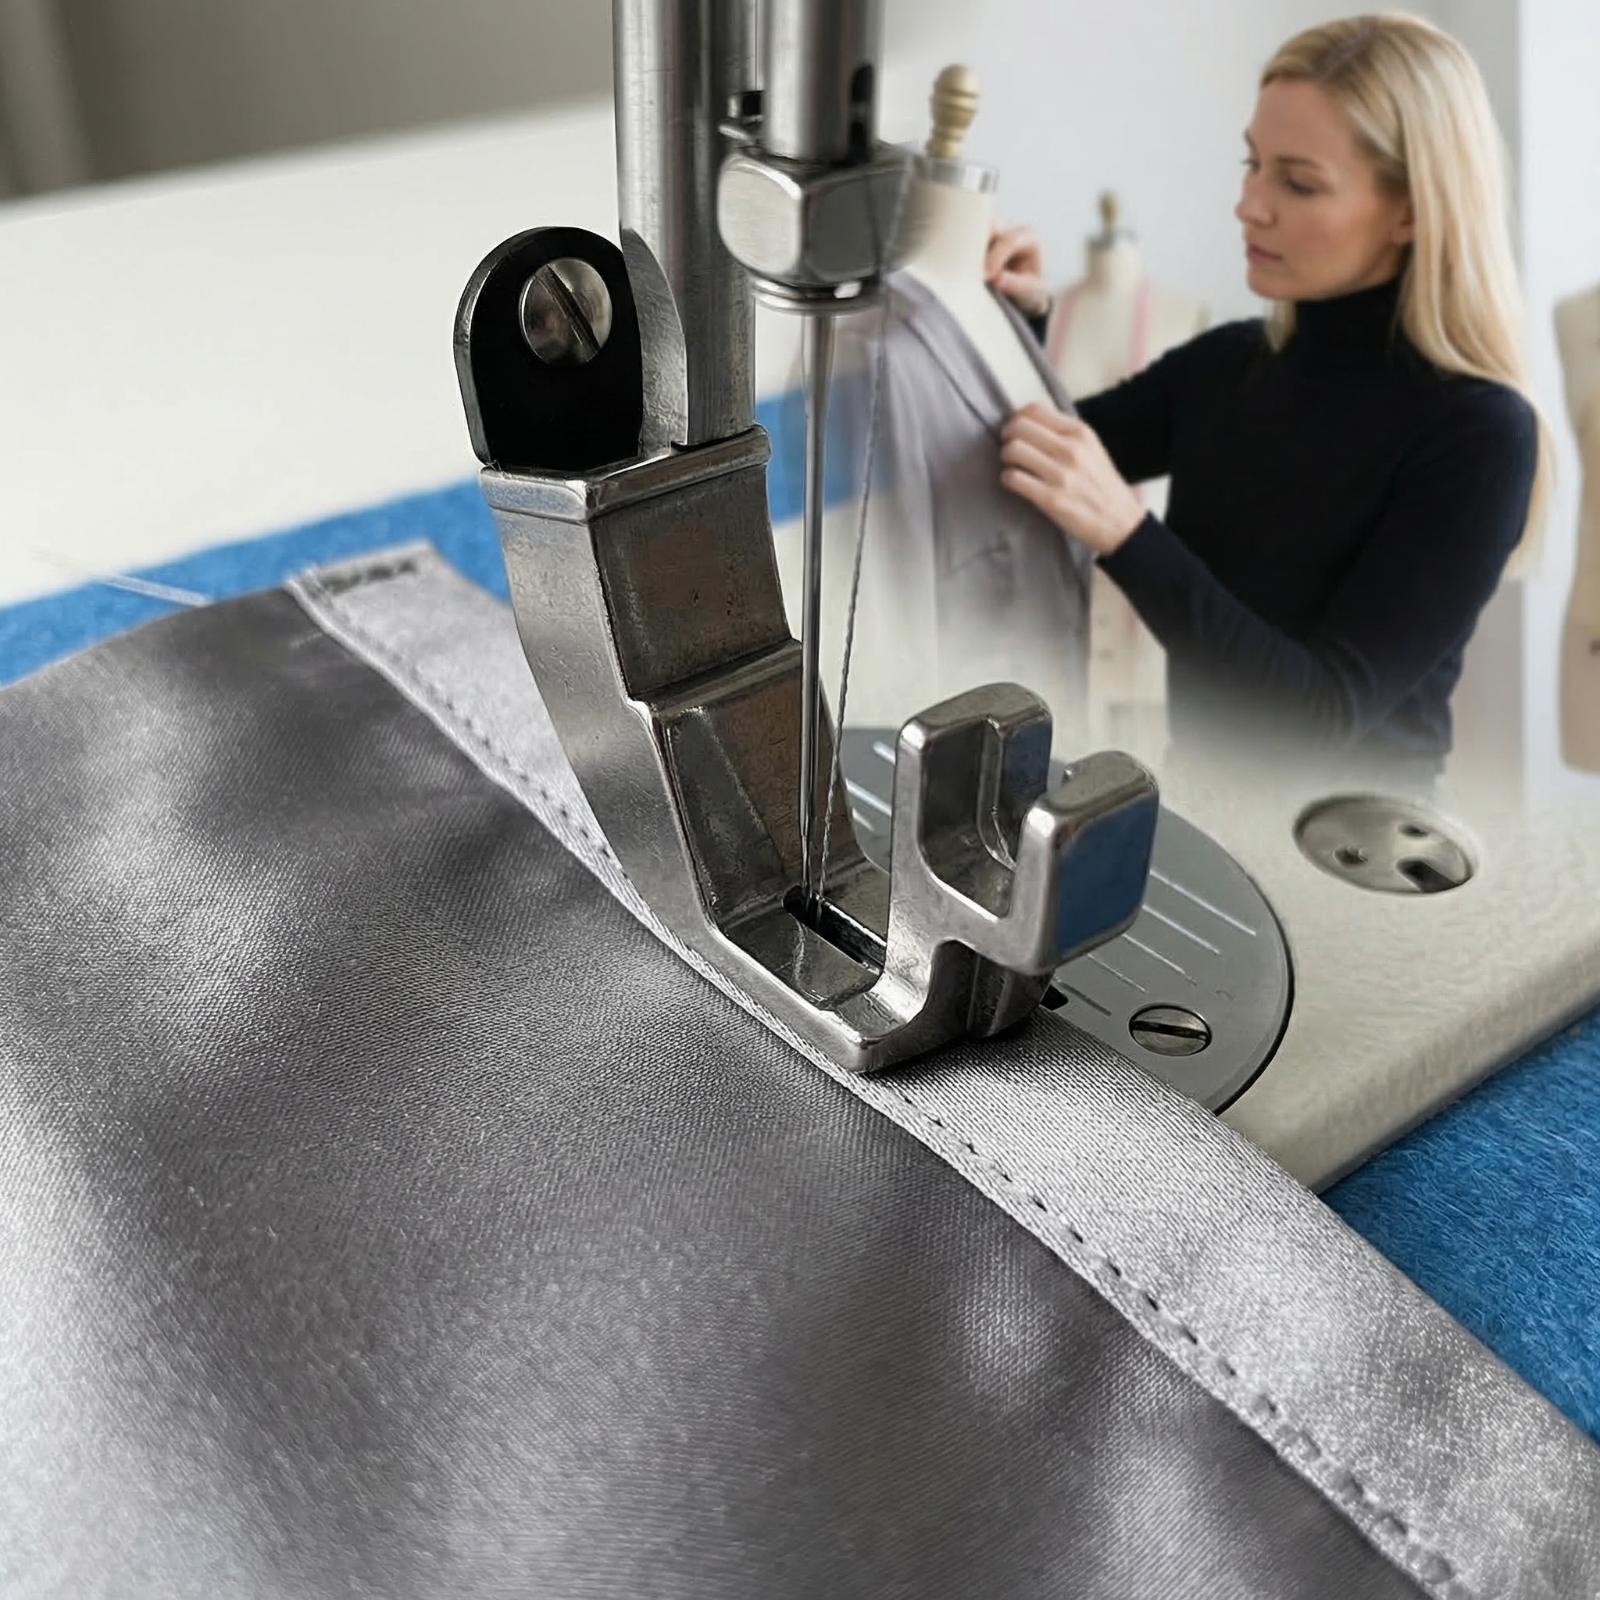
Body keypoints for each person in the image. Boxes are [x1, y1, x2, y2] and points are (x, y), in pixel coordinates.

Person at [985, 12, 1548, 784]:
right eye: (1253, 164)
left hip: (1353, 847)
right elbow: (1020, 453)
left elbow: (1313, 720)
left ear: (1412, 210)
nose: (1249, 205)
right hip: (1208, 822)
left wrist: (1126, 533)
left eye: (1298, 182)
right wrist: (1015, 319)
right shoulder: (1225, 365)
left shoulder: (1480, 433)